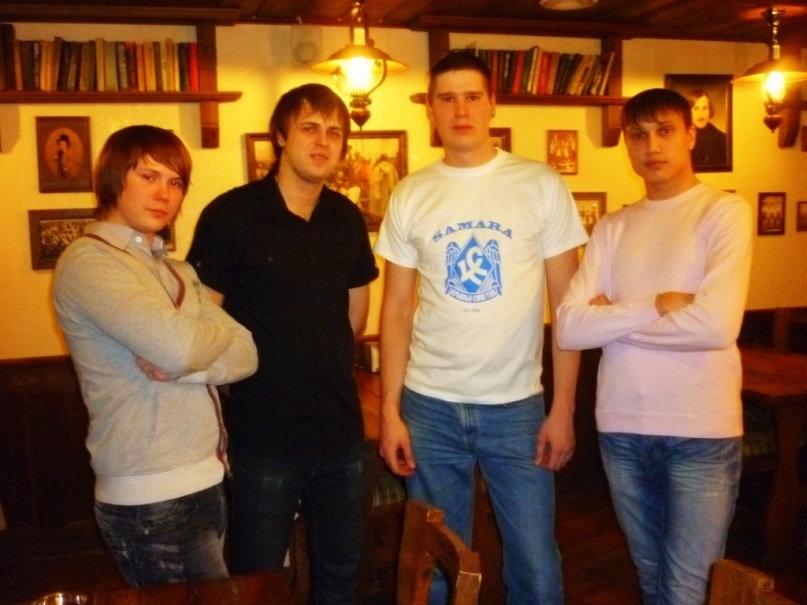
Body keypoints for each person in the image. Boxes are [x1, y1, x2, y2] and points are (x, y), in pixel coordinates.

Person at [374, 51, 587, 605]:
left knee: (537, 568)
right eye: (446, 99)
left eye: (472, 96)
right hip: (429, 407)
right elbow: (395, 308)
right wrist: (390, 411)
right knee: (437, 567)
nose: (460, 109)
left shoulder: (540, 183)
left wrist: (564, 408)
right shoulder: (411, 192)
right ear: (430, 110)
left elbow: (569, 305)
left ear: (493, 103)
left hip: (517, 408)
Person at [556, 88, 752, 605]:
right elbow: (570, 328)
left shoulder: (724, 212)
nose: (652, 146)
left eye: (665, 131)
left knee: (687, 590)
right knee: (649, 579)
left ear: (691, 135)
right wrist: (657, 304)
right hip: (621, 428)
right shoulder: (612, 227)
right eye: (638, 135)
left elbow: (715, 327)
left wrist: (612, 319)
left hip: (701, 432)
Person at [186, 83, 379, 604]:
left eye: (334, 132)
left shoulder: (345, 218)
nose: (323, 141)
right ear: (280, 137)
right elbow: (204, 319)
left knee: (340, 576)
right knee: (258, 582)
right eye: (309, 128)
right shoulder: (231, 215)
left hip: (340, 435)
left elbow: (356, 318)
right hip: (263, 439)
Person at [52, 125, 259, 588]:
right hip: (150, 495)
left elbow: (246, 351)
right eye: (148, 176)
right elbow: (182, 347)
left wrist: (188, 368)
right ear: (113, 179)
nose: (165, 193)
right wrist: (200, 343)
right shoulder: (89, 262)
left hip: (206, 478)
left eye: (175, 181)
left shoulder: (176, 270)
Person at [685, 88, 728, 168]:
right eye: (696, 108)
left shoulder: (721, 139)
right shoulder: (680, 136)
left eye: (705, 108)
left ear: (709, 110)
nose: (701, 114)